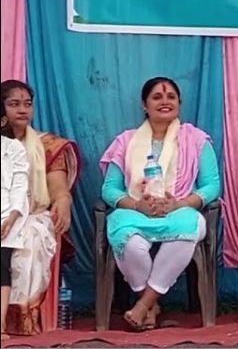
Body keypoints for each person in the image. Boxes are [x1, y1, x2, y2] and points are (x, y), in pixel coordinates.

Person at [97, 77, 220, 331]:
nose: (165, 101)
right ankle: (151, 306)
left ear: (179, 103)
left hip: (178, 211)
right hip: (137, 212)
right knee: (128, 240)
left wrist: (180, 204)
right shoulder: (126, 141)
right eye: (157, 97)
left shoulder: (196, 140)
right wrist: (136, 205)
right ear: (144, 105)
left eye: (171, 97)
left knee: (187, 228)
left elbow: (212, 186)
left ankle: (143, 306)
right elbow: (109, 189)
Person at [0, 80, 79, 336]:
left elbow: (57, 188)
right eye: (14, 104)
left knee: (30, 238)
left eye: (27, 104)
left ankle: (18, 319)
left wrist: (63, 201)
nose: (22, 110)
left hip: (32, 215)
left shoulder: (46, 145)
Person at [2, 120, 31, 342]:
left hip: (7, 216)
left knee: (2, 264)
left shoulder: (13, 148)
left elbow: (20, 186)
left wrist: (11, 218)